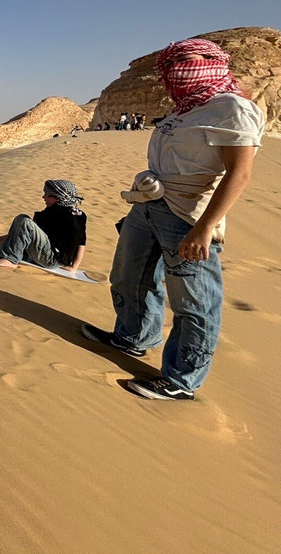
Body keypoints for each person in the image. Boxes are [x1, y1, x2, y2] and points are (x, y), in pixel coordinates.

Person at [82, 38, 264, 401]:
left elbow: (238, 174)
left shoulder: (232, 107)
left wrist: (205, 228)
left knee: (193, 302)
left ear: (213, 62)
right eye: (174, 60)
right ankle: (134, 338)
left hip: (187, 215)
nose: (179, 67)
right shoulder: (185, 108)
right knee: (128, 276)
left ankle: (182, 380)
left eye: (189, 59)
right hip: (149, 206)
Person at [0, 179, 88, 272]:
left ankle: (11, 260)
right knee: (22, 219)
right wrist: (74, 266)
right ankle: (14, 251)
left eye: (47, 194)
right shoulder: (78, 214)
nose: (43, 197)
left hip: (51, 260)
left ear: (57, 198)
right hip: (52, 256)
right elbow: (81, 243)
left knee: (25, 222)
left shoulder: (53, 214)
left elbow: (26, 231)